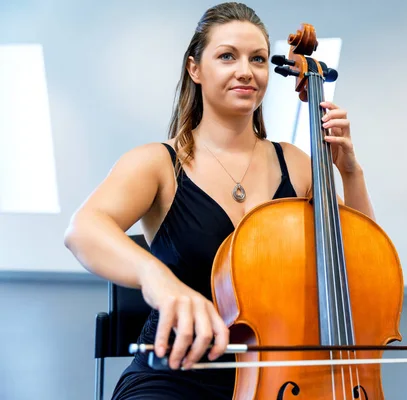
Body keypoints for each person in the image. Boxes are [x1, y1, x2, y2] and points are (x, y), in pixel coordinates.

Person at [64, 2, 376, 399]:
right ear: (195, 68)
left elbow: (359, 262)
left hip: (282, 374)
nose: (245, 70)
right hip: (177, 374)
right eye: (227, 56)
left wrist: (350, 171)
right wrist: (157, 279)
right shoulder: (158, 163)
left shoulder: (297, 165)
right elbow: (83, 229)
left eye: (258, 59)